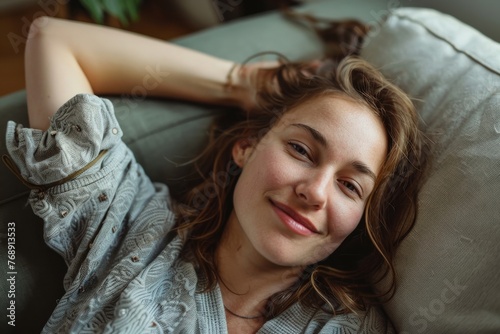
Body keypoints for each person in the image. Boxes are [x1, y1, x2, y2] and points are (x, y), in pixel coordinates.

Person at [4, 11, 427, 334]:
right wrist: (238, 81)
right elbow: (53, 39)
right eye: (301, 149)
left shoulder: (347, 326)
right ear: (246, 146)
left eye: (350, 186)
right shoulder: (132, 227)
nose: (315, 192)